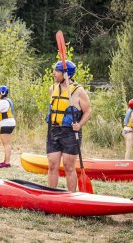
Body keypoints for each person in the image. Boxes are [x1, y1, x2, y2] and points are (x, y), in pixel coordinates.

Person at [46, 60, 91, 192]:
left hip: (70, 133)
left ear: (66, 74)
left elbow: (88, 111)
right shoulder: (52, 89)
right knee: (53, 165)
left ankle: (71, 196)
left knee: (68, 166)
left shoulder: (79, 91)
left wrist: (80, 124)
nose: (54, 73)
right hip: (53, 131)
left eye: (57, 71)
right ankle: (51, 195)